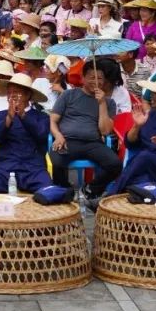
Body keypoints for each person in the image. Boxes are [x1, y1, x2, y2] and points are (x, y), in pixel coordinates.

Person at [48, 58, 122, 206]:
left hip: (93, 143)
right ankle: (66, 192)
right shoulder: (69, 95)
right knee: (56, 160)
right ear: (83, 78)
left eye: (100, 78)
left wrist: (102, 103)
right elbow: (53, 120)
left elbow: (105, 131)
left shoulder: (109, 102)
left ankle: (90, 189)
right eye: (92, 77)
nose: (96, 81)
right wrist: (58, 135)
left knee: (115, 164)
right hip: (68, 140)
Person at [0, 74, 51, 194]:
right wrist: (9, 118)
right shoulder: (0, 115)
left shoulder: (41, 116)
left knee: (48, 191)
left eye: (16, 93)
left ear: (28, 95)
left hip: (33, 169)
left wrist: (23, 115)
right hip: (5, 168)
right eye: (9, 93)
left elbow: (41, 135)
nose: (12, 96)